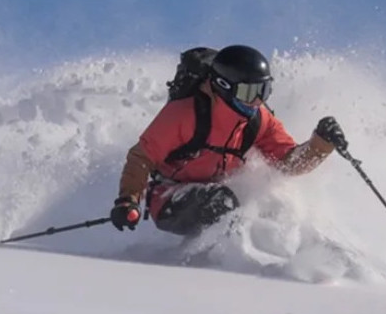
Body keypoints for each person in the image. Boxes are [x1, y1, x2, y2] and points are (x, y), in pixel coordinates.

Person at [110, 44, 347, 236]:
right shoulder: (184, 114)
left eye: (263, 91)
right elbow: (142, 156)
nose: (256, 101)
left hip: (219, 191)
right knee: (221, 203)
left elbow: (287, 163)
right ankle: (219, 268)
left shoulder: (259, 120)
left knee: (270, 204)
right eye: (248, 92)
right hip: (170, 197)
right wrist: (128, 200)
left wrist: (320, 146)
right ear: (223, 86)